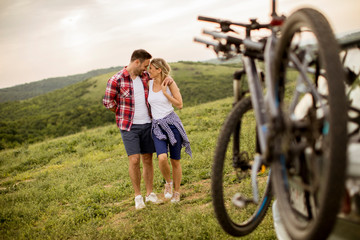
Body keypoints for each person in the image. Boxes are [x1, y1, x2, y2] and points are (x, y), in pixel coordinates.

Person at [103, 49, 165, 210]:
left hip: (148, 124)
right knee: (134, 160)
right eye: (145, 65)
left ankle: (150, 194)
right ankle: (138, 197)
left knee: (147, 159)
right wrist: (121, 113)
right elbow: (108, 103)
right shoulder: (116, 80)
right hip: (129, 126)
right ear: (136, 62)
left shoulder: (145, 77)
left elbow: (160, 79)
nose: (146, 69)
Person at [148, 58, 192, 203]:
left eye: (151, 68)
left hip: (172, 123)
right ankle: (168, 183)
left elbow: (180, 104)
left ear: (159, 70)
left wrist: (165, 93)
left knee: (175, 161)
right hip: (157, 126)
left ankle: (177, 192)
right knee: (162, 158)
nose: (149, 71)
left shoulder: (169, 83)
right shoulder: (148, 83)